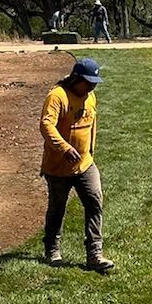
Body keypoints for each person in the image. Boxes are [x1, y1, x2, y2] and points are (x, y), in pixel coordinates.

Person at [39, 56, 114, 273]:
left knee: (94, 202)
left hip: (85, 164)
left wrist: (90, 151)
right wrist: (64, 148)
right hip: (58, 167)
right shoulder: (57, 96)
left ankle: (95, 254)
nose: (91, 87)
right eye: (88, 82)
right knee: (57, 208)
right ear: (76, 78)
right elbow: (46, 126)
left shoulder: (90, 97)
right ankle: (52, 250)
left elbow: (92, 124)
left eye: (94, 83)